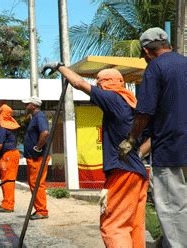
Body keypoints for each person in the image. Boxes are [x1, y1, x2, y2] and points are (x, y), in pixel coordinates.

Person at [41, 64, 148, 246]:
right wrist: (137, 152)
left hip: (121, 173)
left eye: (99, 85)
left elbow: (79, 83)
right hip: (138, 174)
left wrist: (59, 67)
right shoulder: (133, 106)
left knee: (113, 225)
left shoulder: (113, 98)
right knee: (134, 226)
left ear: (103, 85)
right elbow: (151, 136)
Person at [118, 27, 187, 247]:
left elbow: (145, 112)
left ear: (147, 52)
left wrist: (131, 139)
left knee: (172, 208)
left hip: (171, 151)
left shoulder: (155, 68)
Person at [21, 96, 51, 220]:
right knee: (34, 183)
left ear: (33, 105)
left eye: (27, 104)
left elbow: (45, 133)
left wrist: (37, 148)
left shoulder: (40, 117)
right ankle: (39, 209)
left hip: (38, 158)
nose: (25, 106)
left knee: (37, 183)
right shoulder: (35, 117)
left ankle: (42, 211)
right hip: (34, 157)